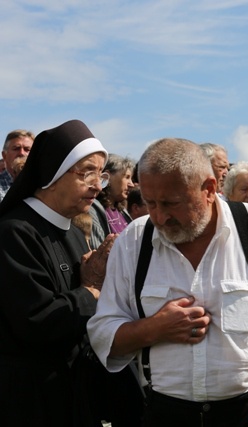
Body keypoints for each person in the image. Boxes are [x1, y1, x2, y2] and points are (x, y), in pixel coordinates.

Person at [87, 138, 248, 427]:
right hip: (164, 414)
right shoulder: (134, 240)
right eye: (150, 203)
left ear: (210, 189)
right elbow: (103, 333)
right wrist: (153, 328)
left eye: (171, 203)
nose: (160, 216)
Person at [0, 119, 115, 426]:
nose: (96, 185)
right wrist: (91, 290)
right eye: (86, 172)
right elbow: (36, 320)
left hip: (73, 389)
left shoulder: (75, 230)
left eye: (100, 175)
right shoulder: (14, 232)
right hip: (29, 399)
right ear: (52, 172)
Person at [88, 154, 135, 248]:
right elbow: (98, 252)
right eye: (127, 177)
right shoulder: (92, 210)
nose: (131, 184)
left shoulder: (121, 210)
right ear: (106, 177)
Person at [0, 129, 34, 202]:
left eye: (27, 149)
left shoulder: (44, 185)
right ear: (4, 155)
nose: (21, 153)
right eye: (16, 148)